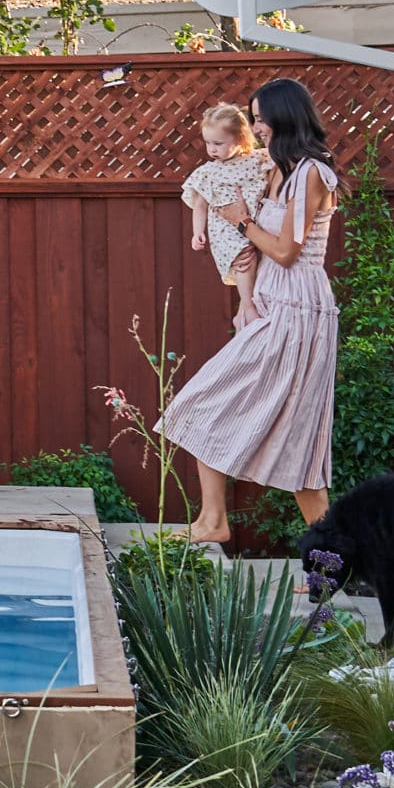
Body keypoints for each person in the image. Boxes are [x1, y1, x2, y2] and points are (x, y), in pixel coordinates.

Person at [157, 78, 341, 545]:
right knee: (203, 406)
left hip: (299, 311)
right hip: (270, 304)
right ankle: (212, 521)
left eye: (261, 118)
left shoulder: (312, 173)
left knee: (300, 439)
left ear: (284, 118)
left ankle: (327, 563)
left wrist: (241, 218)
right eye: (254, 118)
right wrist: (247, 301)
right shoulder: (276, 171)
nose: (255, 127)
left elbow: (285, 251)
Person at [180, 102, 273, 329]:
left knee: (259, 262)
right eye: (208, 143)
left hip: (255, 224)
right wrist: (197, 233)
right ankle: (249, 309)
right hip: (226, 230)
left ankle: (245, 310)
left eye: (218, 143)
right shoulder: (208, 172)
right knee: (244, 259)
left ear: (240, 140)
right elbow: (200, 204)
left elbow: (278, 160)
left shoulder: (256, 160)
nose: (212, 149)